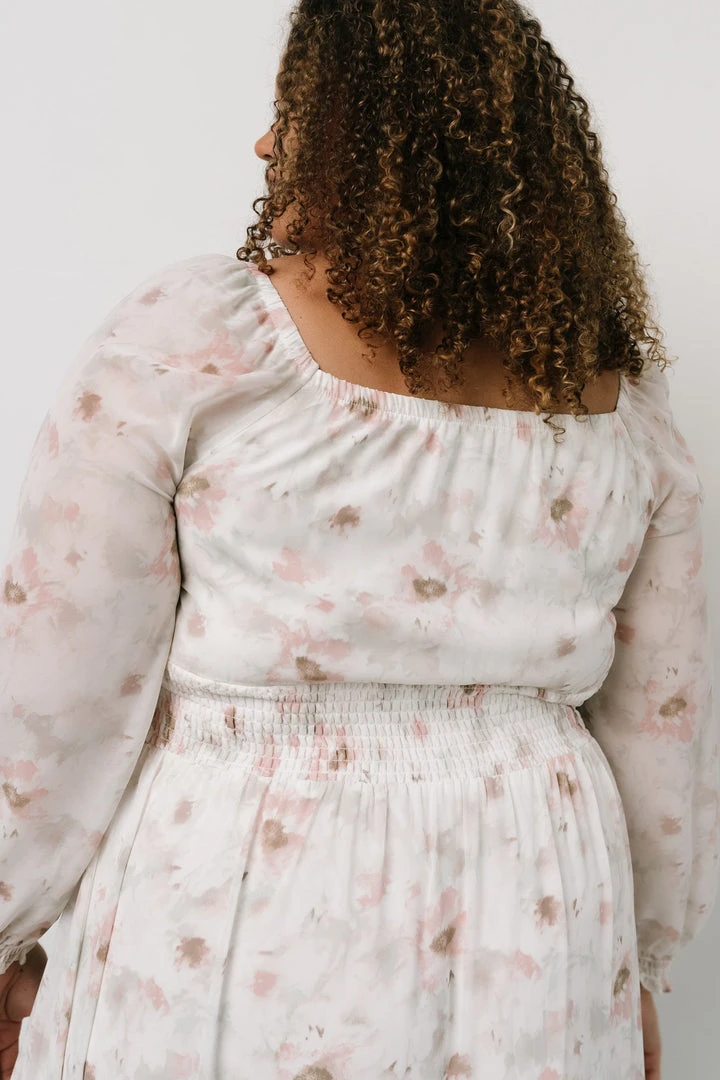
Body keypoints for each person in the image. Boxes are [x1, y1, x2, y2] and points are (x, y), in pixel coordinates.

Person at [0, 1, 717, 1077]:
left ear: (372, 136)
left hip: (246, 896)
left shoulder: (197, 347)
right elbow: (665, 733)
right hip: (542, 914)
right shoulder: (623, 412)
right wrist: (633, 967)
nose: (264, 143)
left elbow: (57, 693)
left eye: (293, 110)